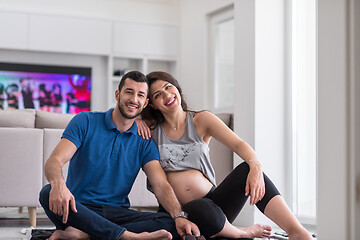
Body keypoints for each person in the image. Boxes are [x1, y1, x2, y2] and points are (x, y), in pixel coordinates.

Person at [138, 71, 314, 240]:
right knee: (198, 209)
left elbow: (239, 144)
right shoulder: (151, 130)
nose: (167, 95)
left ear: (177, 88)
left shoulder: (201, 120)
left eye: (168, 87)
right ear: (151, 104)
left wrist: (255, 166)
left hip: (214, 205)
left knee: (244, 171)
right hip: (175, 211)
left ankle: (297, 231)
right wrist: (136, 120)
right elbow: (123, 115)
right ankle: (240, 232)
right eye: (158, 95)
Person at [39, 71, 200, 240]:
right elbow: (55, 160)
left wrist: (179, 216)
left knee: (169, 221)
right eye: (129, 92)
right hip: (79, 210)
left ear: (145, 103)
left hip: (117, 213)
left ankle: (84, 236)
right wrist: (58, 186)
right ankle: (127, 236)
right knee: (47, 192)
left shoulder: (144, 140)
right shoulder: (85, 121)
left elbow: (161, 185)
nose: (134, 99)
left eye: (140, 95)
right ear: (118, 94)